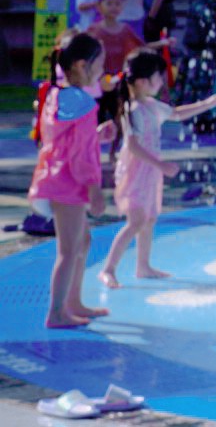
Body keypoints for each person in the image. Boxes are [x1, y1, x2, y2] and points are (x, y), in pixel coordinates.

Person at [98, 52, 216, 288]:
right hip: (136, 172)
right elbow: (133, 146)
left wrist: (207, 104)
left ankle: (143, 266)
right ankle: (108, 269)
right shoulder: (135, 109)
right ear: (142, 82)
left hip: (149, 171)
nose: (162, 82)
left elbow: (177, 114)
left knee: (148, 219)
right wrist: (161, 165)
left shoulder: (150, 105)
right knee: (136, 221)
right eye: (159, 77)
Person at [28, 33, 111, 328]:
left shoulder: (57, 95)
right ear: (80, 65)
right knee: (67, 250)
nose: (103, 69)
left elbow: (66, 144)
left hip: (54, 178)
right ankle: (56, 312)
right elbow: (79, 156)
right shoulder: (85, 104)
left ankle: (72, 302)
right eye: (99, 63)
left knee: (82, 241)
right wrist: (93, 188)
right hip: (69, 184)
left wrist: (97, 137)